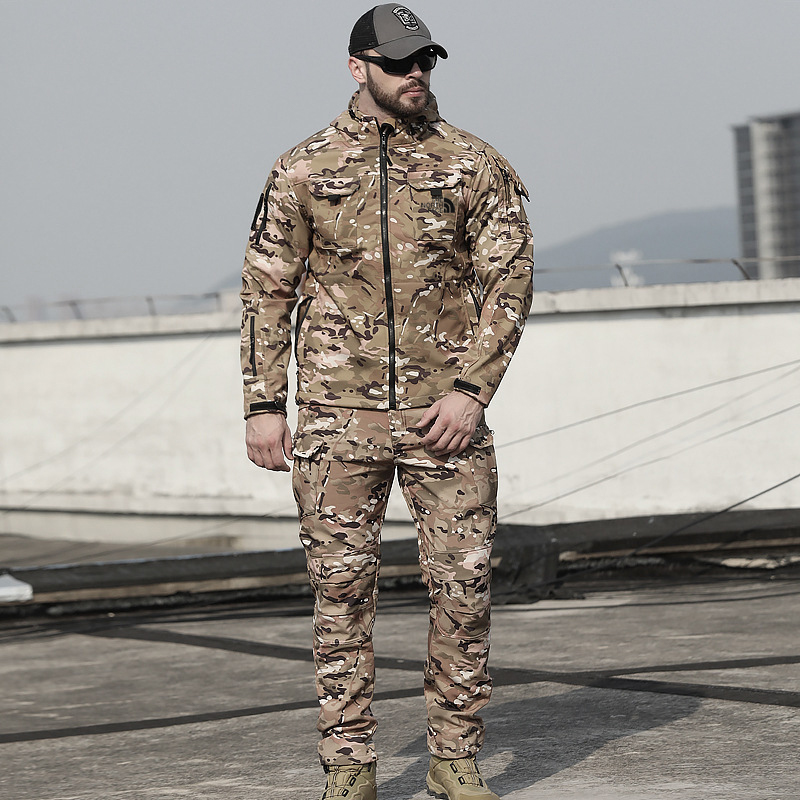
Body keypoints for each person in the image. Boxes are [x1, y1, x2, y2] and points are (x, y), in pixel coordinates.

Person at [240, 5, 533, 799]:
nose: (416, 75)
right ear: (357, 67)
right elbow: (267, 291)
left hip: (447, 421)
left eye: (425, 61)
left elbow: (509, 282)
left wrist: (472, 391)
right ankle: (348, 767)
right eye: (400, 62)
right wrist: (263, 404)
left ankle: (454, 758)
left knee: (463, 590)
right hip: (337, 420)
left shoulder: (472, 164)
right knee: (340, 597)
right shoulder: (303, 168)